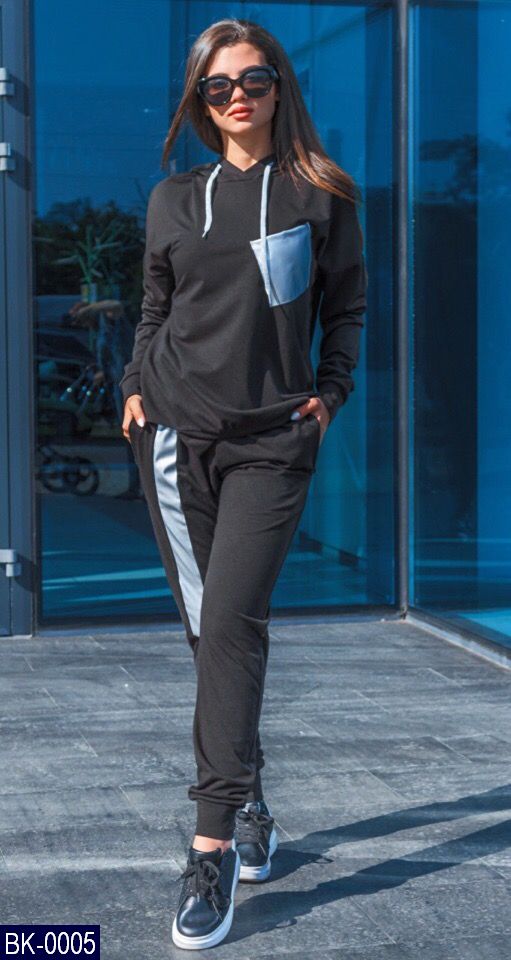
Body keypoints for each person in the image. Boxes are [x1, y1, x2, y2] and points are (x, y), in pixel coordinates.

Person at [119, 17, 368, 951]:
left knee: (230, 621)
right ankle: (251, 800)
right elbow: (155, 307)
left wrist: (329, 394)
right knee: (208, 630)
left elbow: (346, 307)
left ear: (278, 88)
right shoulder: (173, 199)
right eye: (217, 84)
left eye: (252, 80)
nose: (236, 96)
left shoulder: (319, 193)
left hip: (272, 441)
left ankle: (212, 844)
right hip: (173, 439)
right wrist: (136, 386)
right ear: (199, 99)